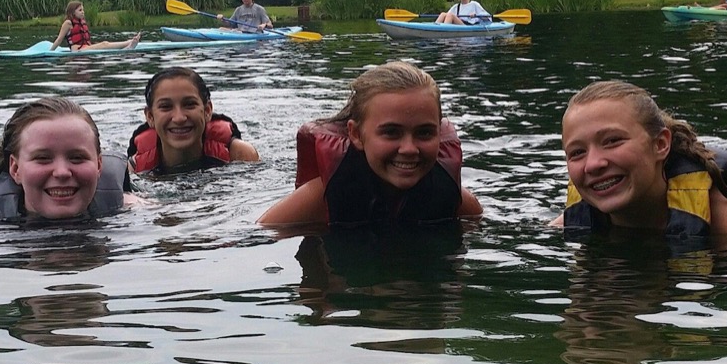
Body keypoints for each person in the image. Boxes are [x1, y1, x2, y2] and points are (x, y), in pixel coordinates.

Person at [550, 80, 727, 237]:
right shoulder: (570, 224)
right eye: (577, 153)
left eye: (613, 141)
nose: (594, 164)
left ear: (661, 144)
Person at [258, 61, 483, 226]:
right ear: (356, 135)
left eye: (424, 133)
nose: (409, 149)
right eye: (391, 133)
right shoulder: (319, 200)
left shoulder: (461, 204)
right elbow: (259, 237)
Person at [0, 97, 144, 222]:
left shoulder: (129, 209)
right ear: (15, 169)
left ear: (99, 165)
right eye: (42, 158)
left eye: (77, 158)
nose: (62, 172)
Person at [127, 67, 260, 175]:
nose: (179, 118)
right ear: (150, 117)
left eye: (189, 104)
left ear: (207, 111)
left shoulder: (240, 155)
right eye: (166, 107)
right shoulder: (134, 169)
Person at [49, 1, 140, 51]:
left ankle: (129, 45)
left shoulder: (81, 21)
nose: (83, 12)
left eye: (83, 10)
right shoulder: (68, 23)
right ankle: (129, 43)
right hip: (78, 50)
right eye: (80, 10)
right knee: (104, 44)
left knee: (104, 44)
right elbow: (59, 39)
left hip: (86, 48)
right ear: (73, 12)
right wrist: (50, 52)